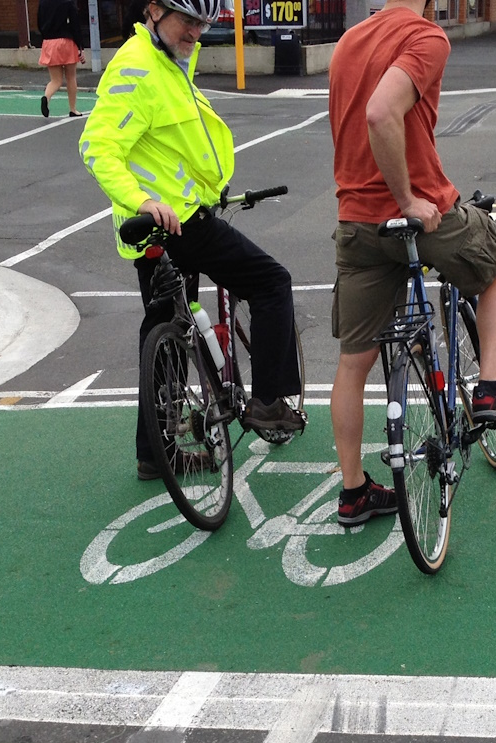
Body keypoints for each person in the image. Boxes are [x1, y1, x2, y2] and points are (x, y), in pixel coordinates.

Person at [79, 0, 305, 480]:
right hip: (176, 223)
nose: (197, 34)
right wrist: (142, 201)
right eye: (189, 21)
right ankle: (267, 402)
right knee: (271, 283)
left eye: (204, 24)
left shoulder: (169, 58)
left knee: (165, 332)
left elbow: (169, 143)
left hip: (171, 223)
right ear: (154, 11)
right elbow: (97, 146)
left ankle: (155, 453)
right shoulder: (138, 67)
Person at [326, 0, 496, 526]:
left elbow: (349, 123)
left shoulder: (347, 43)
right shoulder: (426, 37)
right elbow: (380, 112)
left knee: (353, 363)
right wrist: (408, 198)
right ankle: (489, 388)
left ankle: (353, 492)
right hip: (420, 215)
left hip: (357, 222)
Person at [37, 0, 87, 117]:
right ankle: (73, 109)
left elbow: (39, 23)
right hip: (66, 41)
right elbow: (75, 25)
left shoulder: (43, 2)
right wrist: (80, 46)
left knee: (56, 80)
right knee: (71, 77)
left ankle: (46, 97)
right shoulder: (68, 2)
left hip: (49, 42)